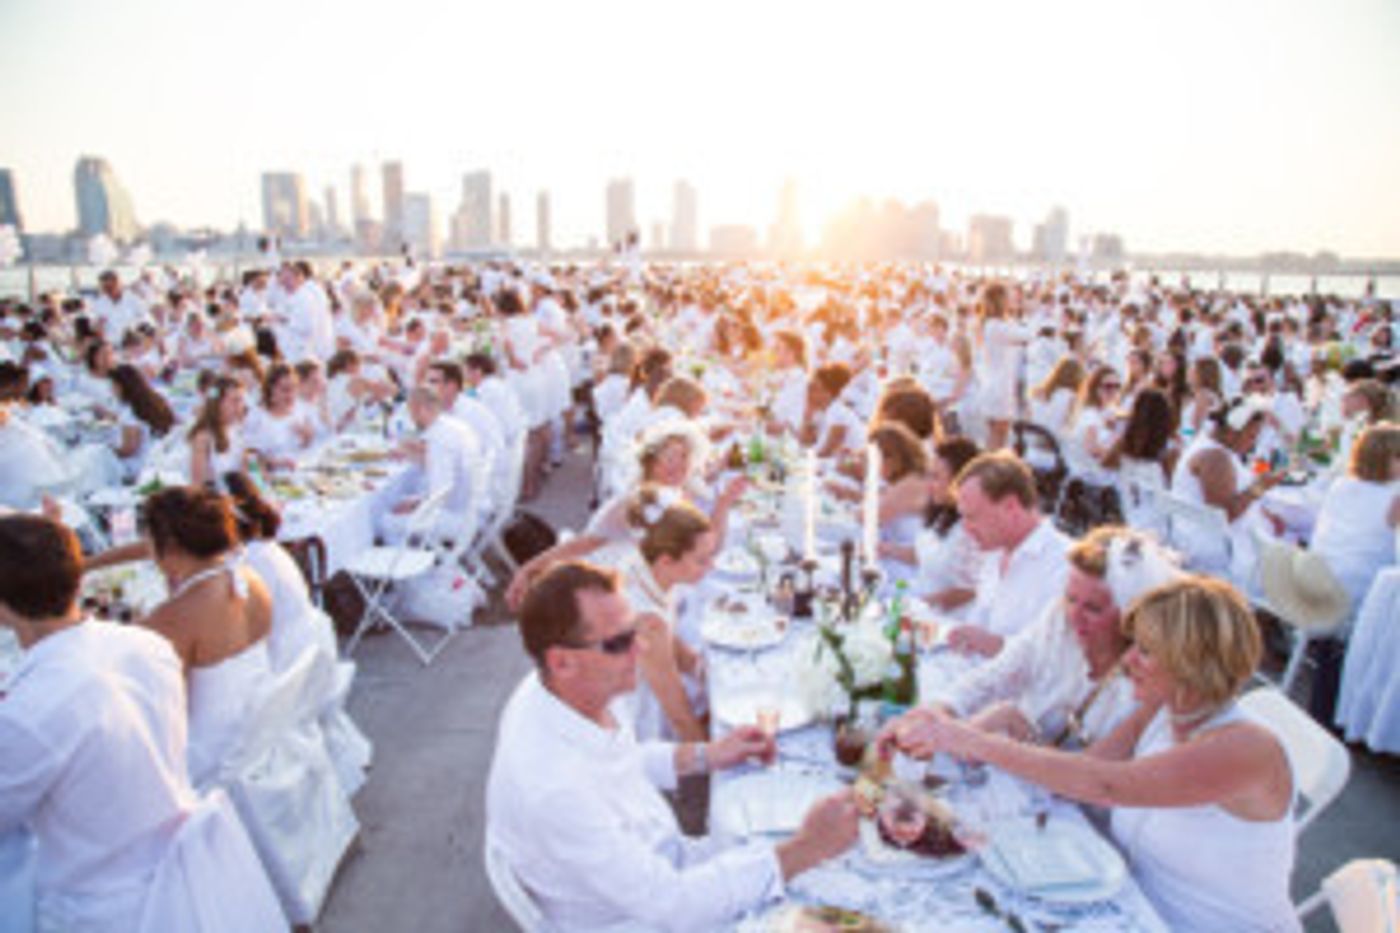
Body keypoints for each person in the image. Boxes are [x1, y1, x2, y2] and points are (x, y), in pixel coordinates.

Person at [888, 576, 1300, 932]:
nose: (1127, 660)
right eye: (1132, 644)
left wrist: (968, 740)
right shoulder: (1162, 710)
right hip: (1132, 907)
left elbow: (1104, 786)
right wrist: (1005, 720)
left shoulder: (1246, 749)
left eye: (1145, 650)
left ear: (1190, 662)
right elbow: (1088, 775)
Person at [485, 562, 859, 931]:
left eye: (634, 630)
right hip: (631, 917)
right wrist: (805, 849)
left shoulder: (567, 690)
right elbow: (673, 905)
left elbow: (620, 760)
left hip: (664, 863)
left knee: (803, 840)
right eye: (619, 642)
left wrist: (706, 754)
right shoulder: (553, 786)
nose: (642, 647)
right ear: (562, 661)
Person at [0, 514, 285, 932]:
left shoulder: (31, 713)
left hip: (96, 902)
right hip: (174, 862)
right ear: (77, 581)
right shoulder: (147, 645)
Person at [896, 527, 1181, 747]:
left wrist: (991, 737)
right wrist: (940, 709)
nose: (1074, 614)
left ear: (1130, 615)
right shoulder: (1057, 621)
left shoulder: (1146, 678)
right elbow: (994, 676)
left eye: (1093, 608)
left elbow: (1103, 776)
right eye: (1070, 598)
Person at [140, 487, 273, 789]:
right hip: (258, 730)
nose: (147, 550)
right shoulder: (249, 577)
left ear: (170, 545)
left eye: (148, 540)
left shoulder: (174, 618)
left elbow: (164, 714)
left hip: (211, 757)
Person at [947, 451, 1070, 657]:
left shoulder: (1063, 564)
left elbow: (1055, 659)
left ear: (1010, 507)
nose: (966, 529)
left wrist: (993, 644)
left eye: (972, 517)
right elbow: (978, 626)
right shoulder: (994, 553)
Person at [188, 375, 250, 489]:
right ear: (218, 404)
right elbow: (197, 486)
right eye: (235, 401)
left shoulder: (238, 431)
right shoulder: (203, 437)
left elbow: (245, 473)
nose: (240, 407)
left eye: (241, 400)